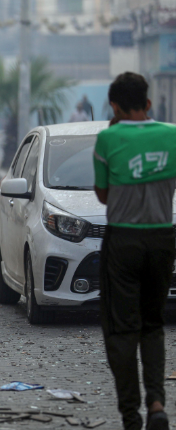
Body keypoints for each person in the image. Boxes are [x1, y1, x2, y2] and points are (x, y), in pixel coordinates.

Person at [93, 72, 176, 430]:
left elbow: (103, 195)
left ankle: (131, 415)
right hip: (162, 237)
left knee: (122, 328)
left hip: (123, 239)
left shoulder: (108, 138)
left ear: (114, 105)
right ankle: (157, 401)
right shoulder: (172, 135)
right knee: (153, 324)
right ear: (148, 103)